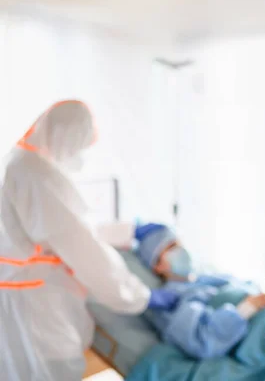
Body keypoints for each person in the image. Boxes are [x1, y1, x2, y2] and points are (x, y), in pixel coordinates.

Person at [0, 100, 179, 381]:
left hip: (31, 301)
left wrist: (129, 231)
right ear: (66, 137)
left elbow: (71, 230)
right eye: (80, 146)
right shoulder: (34, 172)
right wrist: (141, 296)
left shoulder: (25, 163)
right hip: (40, 308)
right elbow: (82, 248)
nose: (81, 156)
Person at [132, 223, 265, 360]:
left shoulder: (206, 277)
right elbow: (203, 341)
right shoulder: (172, 299)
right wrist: (248, 307)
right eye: (172, 247)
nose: (181, 250)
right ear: (158, 266)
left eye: (179, 243)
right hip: (258, 335)